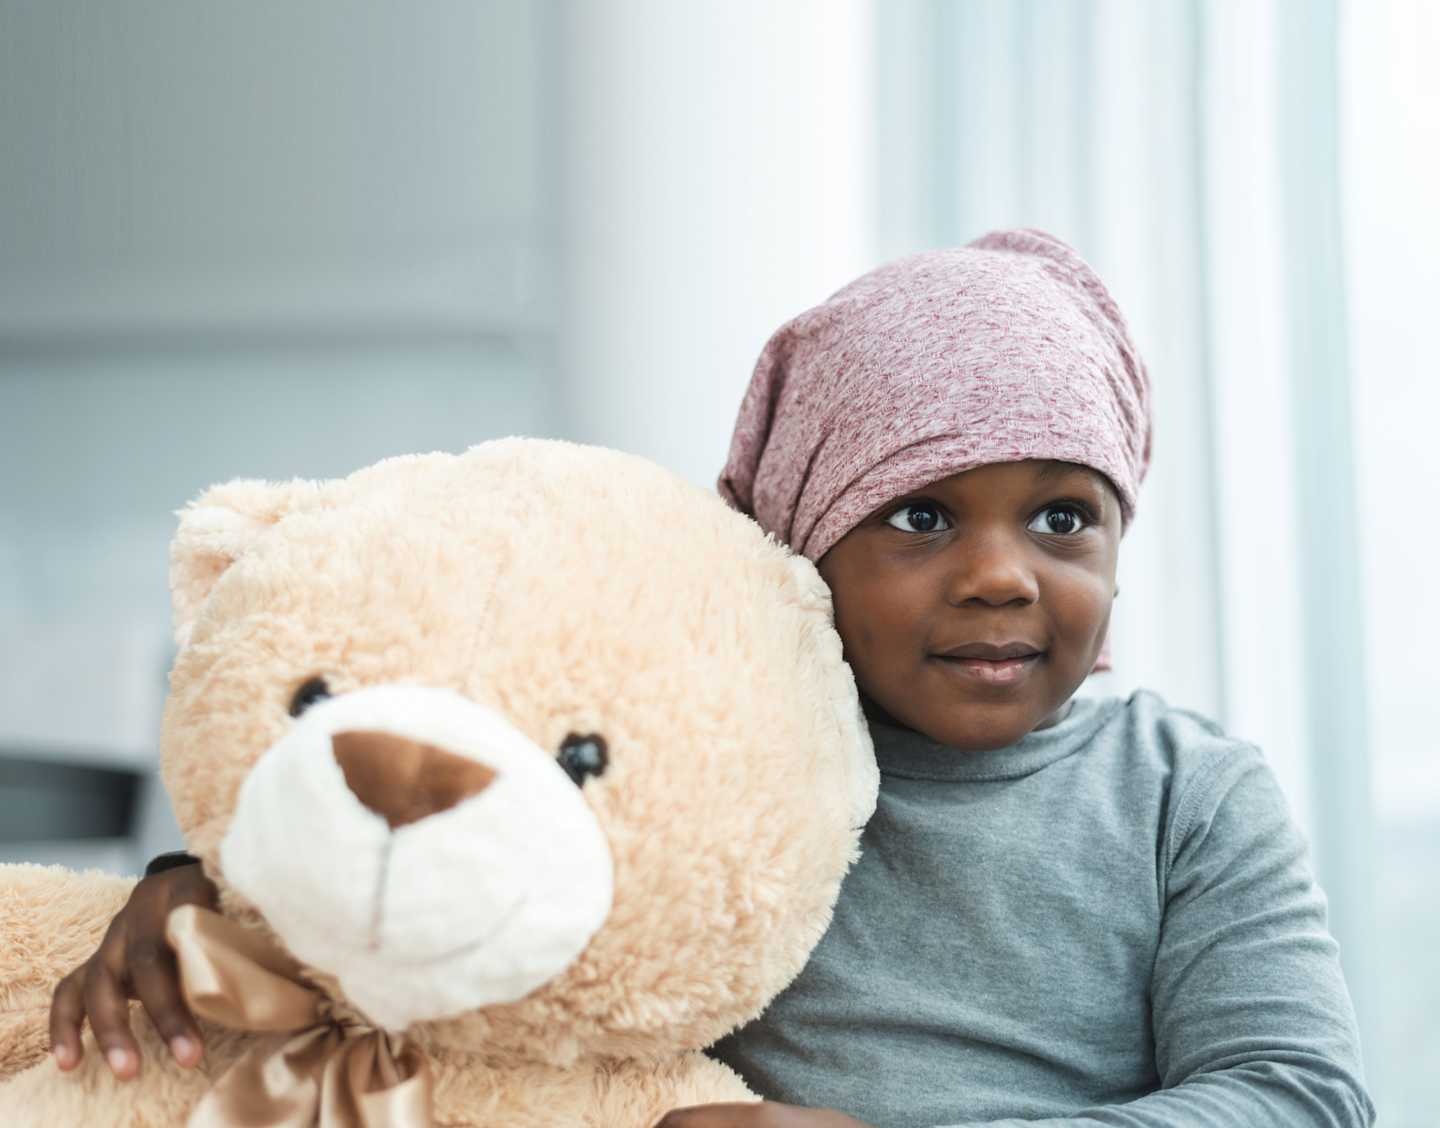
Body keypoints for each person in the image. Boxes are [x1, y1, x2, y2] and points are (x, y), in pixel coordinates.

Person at [48, 230, 1374, 1127]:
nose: (1003, 575)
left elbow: (1298, 1095)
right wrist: (192, 892)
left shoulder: (1187, 796)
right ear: (798, 542)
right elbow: (437, 852)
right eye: (918, 518)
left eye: (1064, 518)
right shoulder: (709, 751)